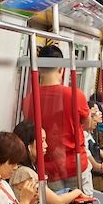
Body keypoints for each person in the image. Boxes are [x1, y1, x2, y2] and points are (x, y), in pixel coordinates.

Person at [22, 43, 89, 189]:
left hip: (47, 167)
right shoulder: (75, 95)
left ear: (38, 69)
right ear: (61, 68)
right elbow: (87, 124)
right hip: (74, 163)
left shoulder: (28, 100)